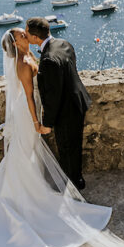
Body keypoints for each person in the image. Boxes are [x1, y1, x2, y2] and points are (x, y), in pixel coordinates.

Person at [0, 29, 124, 247]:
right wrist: (37, 121)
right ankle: (19, 194)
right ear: (15, 43)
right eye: (21, 35)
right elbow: (27, 96)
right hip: (27, 113)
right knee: (24, 152)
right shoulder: (22, 64)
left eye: (25, 33)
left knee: (30, 153)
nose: (25, 35)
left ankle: (27, 188)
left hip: (32, 107)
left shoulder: (30, 57)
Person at [26, 16, 91, 190]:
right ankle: (77, 180)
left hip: (66, 110)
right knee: (75, 145)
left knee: (67, 150)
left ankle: (74, 187)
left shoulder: (48, 60)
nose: (26, 36)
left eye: (27, 33)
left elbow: (53, 96)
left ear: (34, 38)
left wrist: (47, 124)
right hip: (79, 101)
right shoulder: (64, 43)